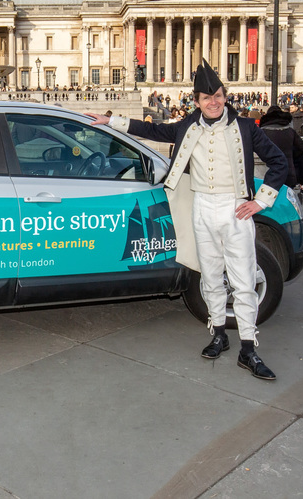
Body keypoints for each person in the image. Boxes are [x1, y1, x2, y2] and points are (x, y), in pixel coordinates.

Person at [87, 60, 288, 380]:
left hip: (235, 209)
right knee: (209, 277)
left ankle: (248, 348)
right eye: (207, 97)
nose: (214, 101)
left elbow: (279, 162)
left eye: (218, 95)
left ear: (225, 96)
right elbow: (152, 130)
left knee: (243, 280)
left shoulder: (247, 128)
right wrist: (111, 120)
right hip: (201, 208)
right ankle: (219, 334)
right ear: (196, 101)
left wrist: (260, 202)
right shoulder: (187, 126)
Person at [259, 105, 303, 187]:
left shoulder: (261, 132)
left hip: (266, 174)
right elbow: (302, 150)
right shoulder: (290, 131)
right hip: (288, 173)